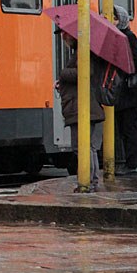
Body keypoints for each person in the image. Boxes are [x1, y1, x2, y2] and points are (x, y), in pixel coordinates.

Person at [56, 29, 105, 191]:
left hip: (81, 108)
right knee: (89, 147)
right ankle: (92, 180)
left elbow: (84, 72)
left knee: (82, 147)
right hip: (84, 107)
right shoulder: (82, 50)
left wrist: (63, 74)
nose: (63, 38)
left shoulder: (83, 51)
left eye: (65, 34)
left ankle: (88, 181)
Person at [114, 5, 137, 176]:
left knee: (128, 128)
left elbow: (134, 62)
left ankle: (132, 164)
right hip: (123, 93)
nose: (113, 21)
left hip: (129, 93)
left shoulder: (128, 37)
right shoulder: (119, 37)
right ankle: (129, 162)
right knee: (124, 129)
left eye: (115, 18)